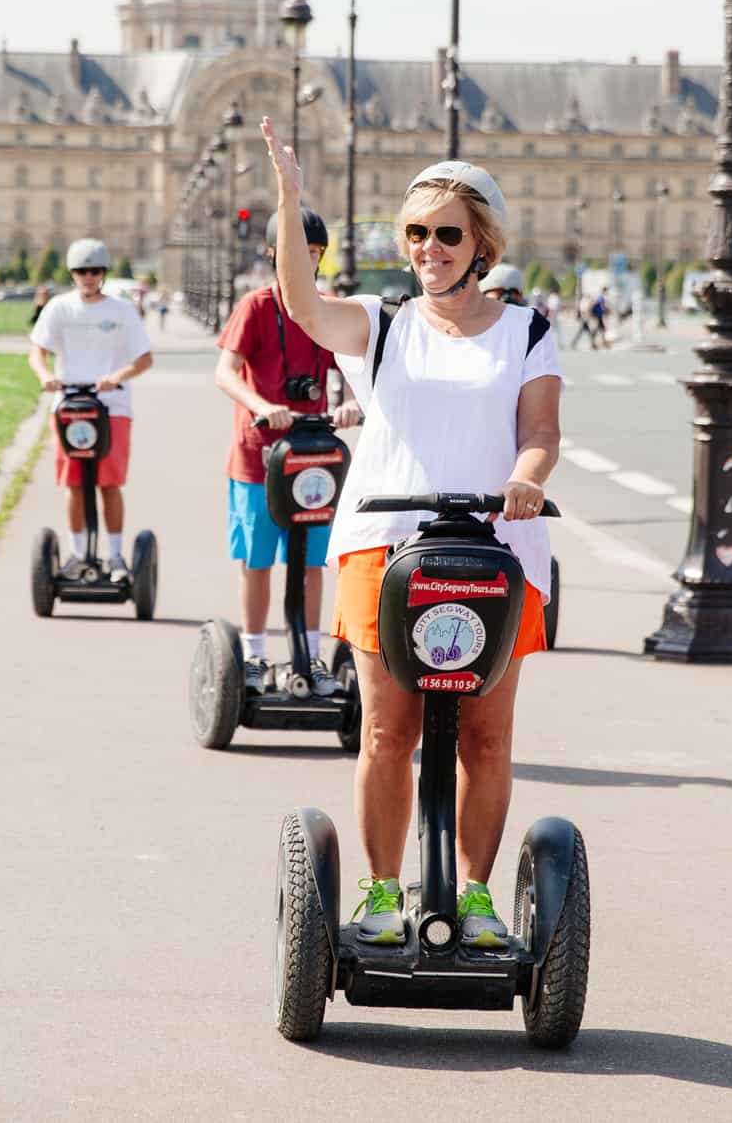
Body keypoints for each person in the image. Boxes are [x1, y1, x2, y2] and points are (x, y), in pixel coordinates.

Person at [262, 117, 561, 951]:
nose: (429, 247)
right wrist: (291, 202)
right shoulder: (380, 322)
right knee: (387, 728)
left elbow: (541, 428)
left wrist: (527, 479)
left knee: (487, 733)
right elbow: (300, 302)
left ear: (482, 243)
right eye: (417, 232)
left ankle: (473, 896)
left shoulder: (527, 330)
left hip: (497, 547)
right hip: (381, 541)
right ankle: (384, 891)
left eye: (447, 233)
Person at [213, 209, 362, 696]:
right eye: (298, 252)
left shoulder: (326, 309)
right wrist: (261, 406)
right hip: (259, 459)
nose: (308, 261)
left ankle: (310, 653)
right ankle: (255, 653)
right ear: (275, 253)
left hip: (313, 458)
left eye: (315, 253)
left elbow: (357, 371)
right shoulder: (256, 307)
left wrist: (351, 405)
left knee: (312, 563)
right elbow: (226, 371)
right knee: (257, 561)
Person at [28, 238, 154, 578]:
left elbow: (144, 359)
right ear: (72, 273)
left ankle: (115, 557)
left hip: (112, 407)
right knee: (75, 484)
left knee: (108, 483)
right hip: (69, 404)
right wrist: (45, 376)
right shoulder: (59, 308)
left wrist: (118, 376)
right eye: (82, 271)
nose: (88, 277)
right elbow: (37, 351)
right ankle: (77, 554)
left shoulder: (121, 311)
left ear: (104, 273)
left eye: (95, 271)